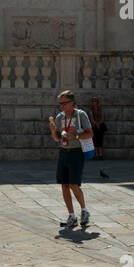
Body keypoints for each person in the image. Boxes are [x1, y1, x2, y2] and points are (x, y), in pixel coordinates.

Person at [50, 90, 92, 229]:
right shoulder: (59, 118)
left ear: (72, 103)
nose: (61, 106)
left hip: (76, 152)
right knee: (64, 185)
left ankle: (84, 211)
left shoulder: (80, 115)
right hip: (63, 152)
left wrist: (76, 136)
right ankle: (71, 215)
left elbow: (90, 133)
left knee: (74, 184)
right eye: (59, 104)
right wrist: (52, 130)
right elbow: (57, 138)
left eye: (63, 103)